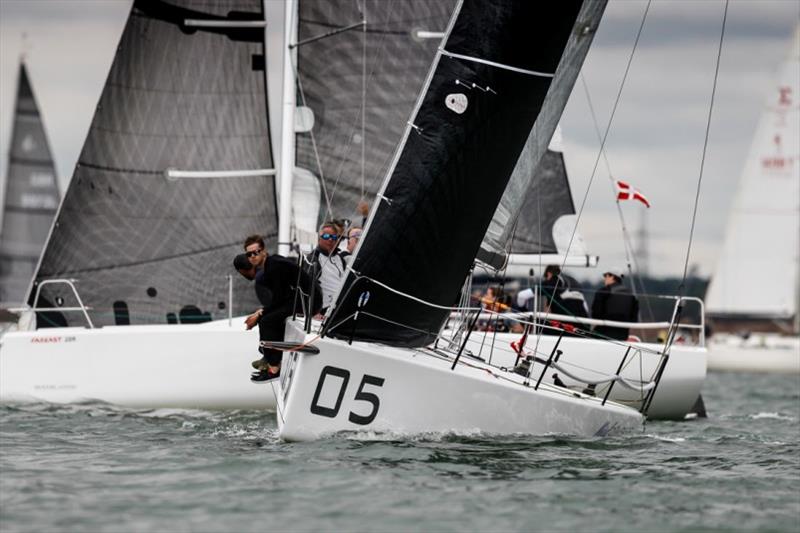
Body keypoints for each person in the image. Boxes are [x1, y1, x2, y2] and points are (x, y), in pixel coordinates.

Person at [234, 249, 321, 383]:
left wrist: (260, 314)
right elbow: (281, 297)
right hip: (304, 298)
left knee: (266, 321)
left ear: (242, 271)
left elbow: (279, 299)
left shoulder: (262, 276)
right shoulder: (271, 263)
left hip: (307, 300)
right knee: (268, 318)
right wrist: (261, 312)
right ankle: (269, 357)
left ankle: (274, 367)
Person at [305, 221, 348, 313]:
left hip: (342, 306)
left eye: (333, 237)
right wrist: (314, 311)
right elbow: (307, 286)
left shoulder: (340, 259)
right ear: (319, 238)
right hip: (325, 309)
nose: (330, 240)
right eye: (326, 236)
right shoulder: (313, 258)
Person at [591, 267, 639, 341]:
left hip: (602, 334)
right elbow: (634, 320)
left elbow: (595, 315)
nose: (604, 279)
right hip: (622, 336)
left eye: (605, 276)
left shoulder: (603, 291)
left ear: (612, 276)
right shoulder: (632, 296)